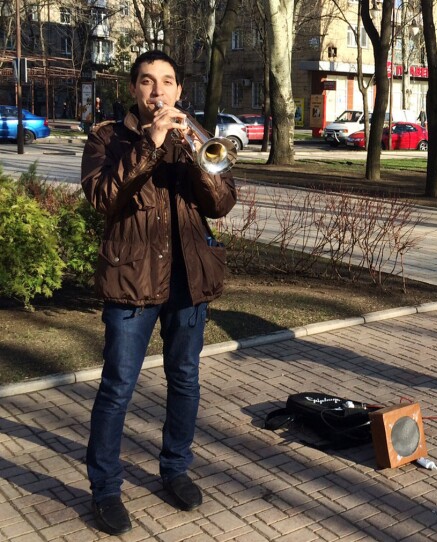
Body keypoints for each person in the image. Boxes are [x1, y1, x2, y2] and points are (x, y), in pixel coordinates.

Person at [80, 50, 237, 535]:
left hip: (189, 282)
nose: (157, 92)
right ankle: (105, 489)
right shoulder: (107, 137)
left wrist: (193, 154)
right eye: (147, 82)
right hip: (132, 280)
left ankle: (175, 468)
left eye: (167, 82)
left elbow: (223, 201)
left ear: (178, 91)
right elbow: (104, 197)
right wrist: (150, 143)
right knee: (118, 388)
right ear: (134, 89)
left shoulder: (196, 137)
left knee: (185, 381)